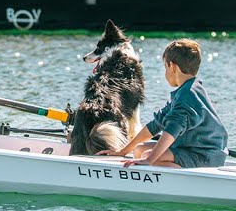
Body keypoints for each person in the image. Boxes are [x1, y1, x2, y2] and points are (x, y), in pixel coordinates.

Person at [97, 39, 228, 168]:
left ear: (172, 66)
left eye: (165, 67)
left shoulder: (188, 94)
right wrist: (123, 151)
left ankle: (182, 183)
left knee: (149, 155)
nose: (165, 72)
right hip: (192, 148)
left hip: (205, 156)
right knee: (139, 150)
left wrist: (149, 160)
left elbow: (173, 129)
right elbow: (155, 125)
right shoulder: (187, 90)